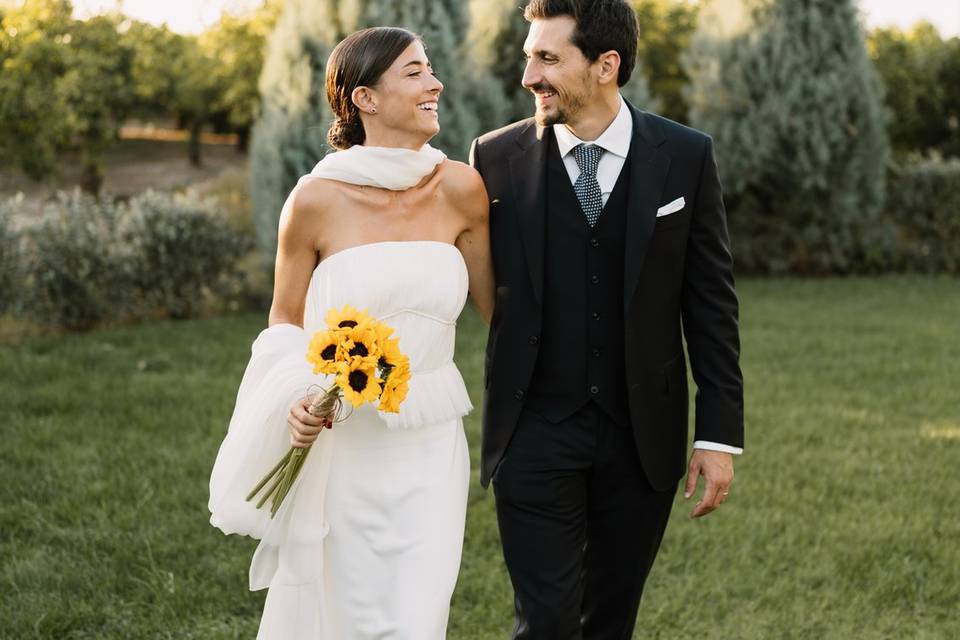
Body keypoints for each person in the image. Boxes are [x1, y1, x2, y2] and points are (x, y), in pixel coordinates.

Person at [468, 1, 745, 638]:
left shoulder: (684, 156)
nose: (528, 77)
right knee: (545, 624)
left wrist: (718, 435)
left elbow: (711, 306)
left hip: (641, 434)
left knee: (611, 621)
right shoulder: (494, 159)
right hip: (534, 429)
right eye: (527, 57)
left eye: (547, 58)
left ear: (606, 65)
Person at [208, 26, 494, 639]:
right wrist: (295, 399)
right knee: (343, 606)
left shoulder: (462, 189)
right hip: (346, 439)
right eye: (415, 72)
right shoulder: (314, 200)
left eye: (430, 68)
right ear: (364, 98)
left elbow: (503, 312)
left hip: (430, 439)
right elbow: (285, 319)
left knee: (418, 612)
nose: (435, 83)